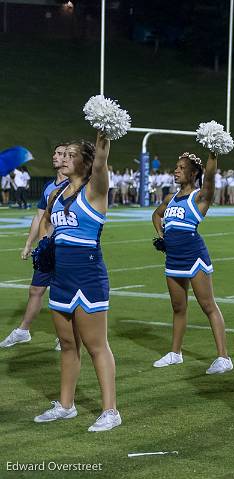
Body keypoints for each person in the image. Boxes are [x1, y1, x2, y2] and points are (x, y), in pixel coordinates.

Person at [33, 134, 120, 432]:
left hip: (88, 276)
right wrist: (46, 244)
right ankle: (66, 405)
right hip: (61, 277)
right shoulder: (57, 195)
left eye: (71, 155)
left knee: (97, 346)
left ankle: (110, 411)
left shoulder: (95, 191)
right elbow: (48, 224)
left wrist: (103, 131)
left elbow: (102, 159)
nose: (65, 158)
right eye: (64, 154)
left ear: (85, 161)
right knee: (68, 344)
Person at [151, 152, 233, 375]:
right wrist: (162, 235)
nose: (175, 171)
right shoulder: (170, 198)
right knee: (178, 307)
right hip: (173, 259)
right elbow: (156, 215)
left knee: (208, 305)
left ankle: (224, 357)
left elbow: (211, 179)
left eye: (180, 168)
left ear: (193, 172)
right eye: (175, 167)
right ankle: (175, 354)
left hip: (194, 257)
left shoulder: (199, 197)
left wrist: (213, 154)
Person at [0, 144, 68, 349]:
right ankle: (23, 331)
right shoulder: (49, 186)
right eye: (55, 152)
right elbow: (39, 216)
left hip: (66, 247)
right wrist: (29, 243)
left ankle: (64, 336)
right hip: (46, 247)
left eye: (60, 154)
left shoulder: (77, 186)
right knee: (36, 289)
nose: (55, 156)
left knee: (63, 292)